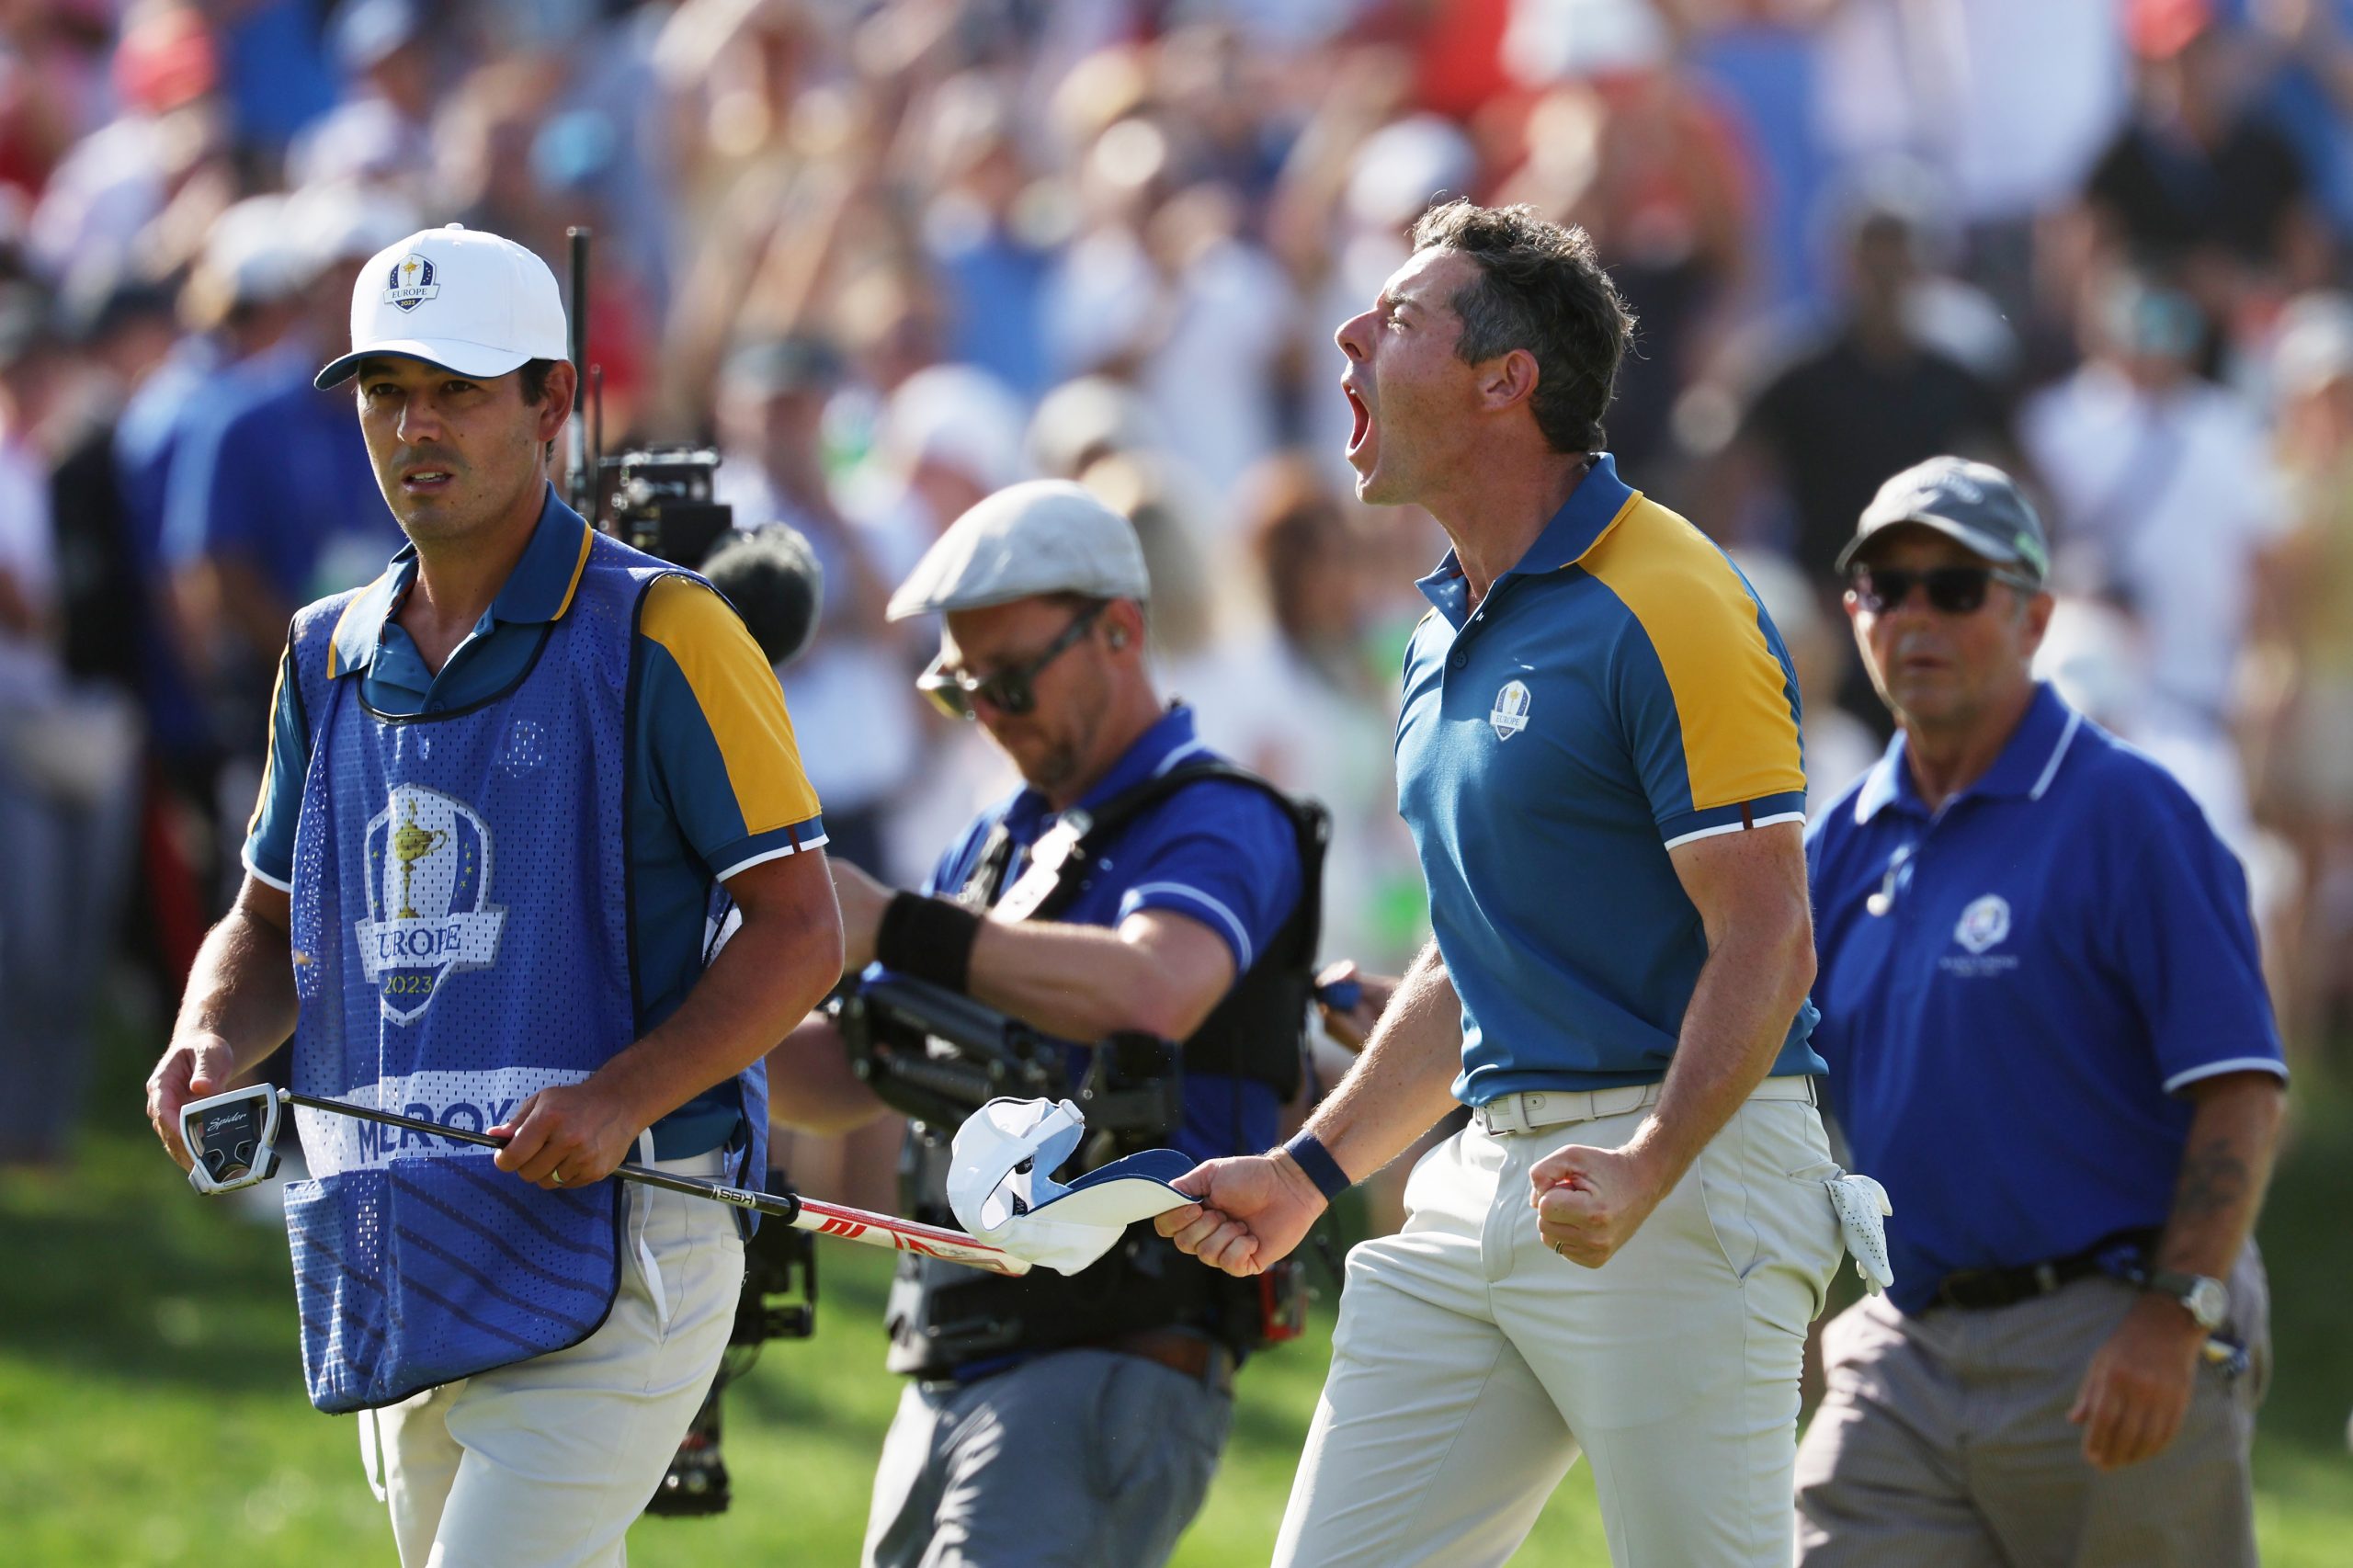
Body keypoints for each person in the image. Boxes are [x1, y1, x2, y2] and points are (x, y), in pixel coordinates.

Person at [140, 222, 845, 1568]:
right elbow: (266, 920)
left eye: (458, 388)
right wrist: (208, 1037)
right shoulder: (321, 652)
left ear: (553, 402)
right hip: (403, 1235)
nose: (416, 425)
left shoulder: (671, 629)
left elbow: (800, 927)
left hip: (627, 1227)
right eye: (385, 390)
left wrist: (624, 1092)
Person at [1158, 199, 1843, 1568]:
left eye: (1399, 318)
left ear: (1503, 381)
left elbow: (1769, 934)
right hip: (1480, 1179)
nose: (1349, 334)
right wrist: (1311, 1168)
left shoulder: (1672, 593)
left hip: (1687, 1174)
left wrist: (1651, 1165)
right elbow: (1473, 954)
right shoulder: (1436, 630)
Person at [764, 478, 1316, 1568]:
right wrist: (673, 1024)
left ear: (1120, 629)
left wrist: (902, 925)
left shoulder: (1220, 817)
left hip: (1112, 1350)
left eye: (1010, 677)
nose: (991, 713)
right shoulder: (991, 846)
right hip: (954, 1355)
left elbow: (1158, 987)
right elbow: (847, 1073)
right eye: (961, 688)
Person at [1795, 455, 2288, 1567]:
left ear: (2033, 617)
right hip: (1908, 1345)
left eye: (1955, 587)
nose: (1915, 613)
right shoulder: (1840, 842)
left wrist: (2175, 1311)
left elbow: (2239, 1087)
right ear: (1854, 609)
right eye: (1886, 585)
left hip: (2114, 1322)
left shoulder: (2131, 813)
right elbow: (1733, 1053)